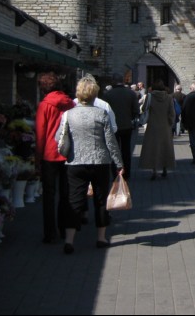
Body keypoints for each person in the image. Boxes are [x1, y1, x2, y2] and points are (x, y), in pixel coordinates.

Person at [57, 76, 124, 254]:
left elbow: (59, 137)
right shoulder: (101, 114)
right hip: (99, 161)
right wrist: (118, 163)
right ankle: (101, 237)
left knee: (74, 200)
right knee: (101, 200)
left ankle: (70, 239)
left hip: (75, 162)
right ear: (94, 94)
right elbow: (110, 141)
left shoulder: (68, 114)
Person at [35, 72, 76, 244]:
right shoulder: (70, 104)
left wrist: (37, 158)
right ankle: (64, 228)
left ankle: (49, 232)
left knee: (49, 195)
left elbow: (41, 133)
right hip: (67, 153)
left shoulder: (44, 105)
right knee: (66, 195)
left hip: (50, 154)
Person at [139, 79, 176, 180]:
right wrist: (170, 123)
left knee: (153, 148)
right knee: (165, 147)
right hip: (165, 126)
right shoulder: (168, 97)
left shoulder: (150, 96)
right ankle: (164, 169)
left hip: (152, 126)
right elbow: (172, 113)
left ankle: (154, 171)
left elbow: (143, 109)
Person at [104, 75, 138, 180]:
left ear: (113, 82)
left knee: (114, 150)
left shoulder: (108, 94)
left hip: (112, 127)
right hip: (127, 126)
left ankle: (115, 173)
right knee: (126, 150)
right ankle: (126, 173)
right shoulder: (131, 93)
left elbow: (104, 112)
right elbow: (136, 110)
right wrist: (130, 117)